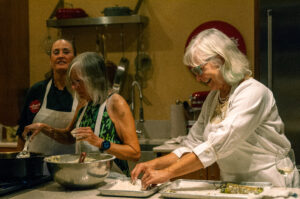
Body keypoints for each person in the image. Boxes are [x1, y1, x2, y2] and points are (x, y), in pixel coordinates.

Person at [131, 28, 299, 187]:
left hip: (270, 181)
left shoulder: (253, 92)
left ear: (221, 59)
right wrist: (152, 164)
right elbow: (192, 144)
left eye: (199, 69)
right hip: (234, 184)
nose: (197, 78)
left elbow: (219, 143)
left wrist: (167, 173)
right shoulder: (213, 97)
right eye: (193, 72)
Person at [23, 52, 140, 176]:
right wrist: (44, 127)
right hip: (87, 177)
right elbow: (69, 137)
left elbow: (134, 153)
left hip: (114, 181)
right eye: (72, 82)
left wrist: (100, 142)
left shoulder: (116, 103)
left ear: (94, 79)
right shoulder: (83, 103)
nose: (73, 87)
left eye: (78, 81)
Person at [16, 38, 81, 155]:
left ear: (75, 59)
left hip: (69, 166)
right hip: (35, 166)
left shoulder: (81, 92)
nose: (61, 56)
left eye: (66, 52)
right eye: (56, 52)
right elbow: (22, 133)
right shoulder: (37, 90)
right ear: (50, 61)